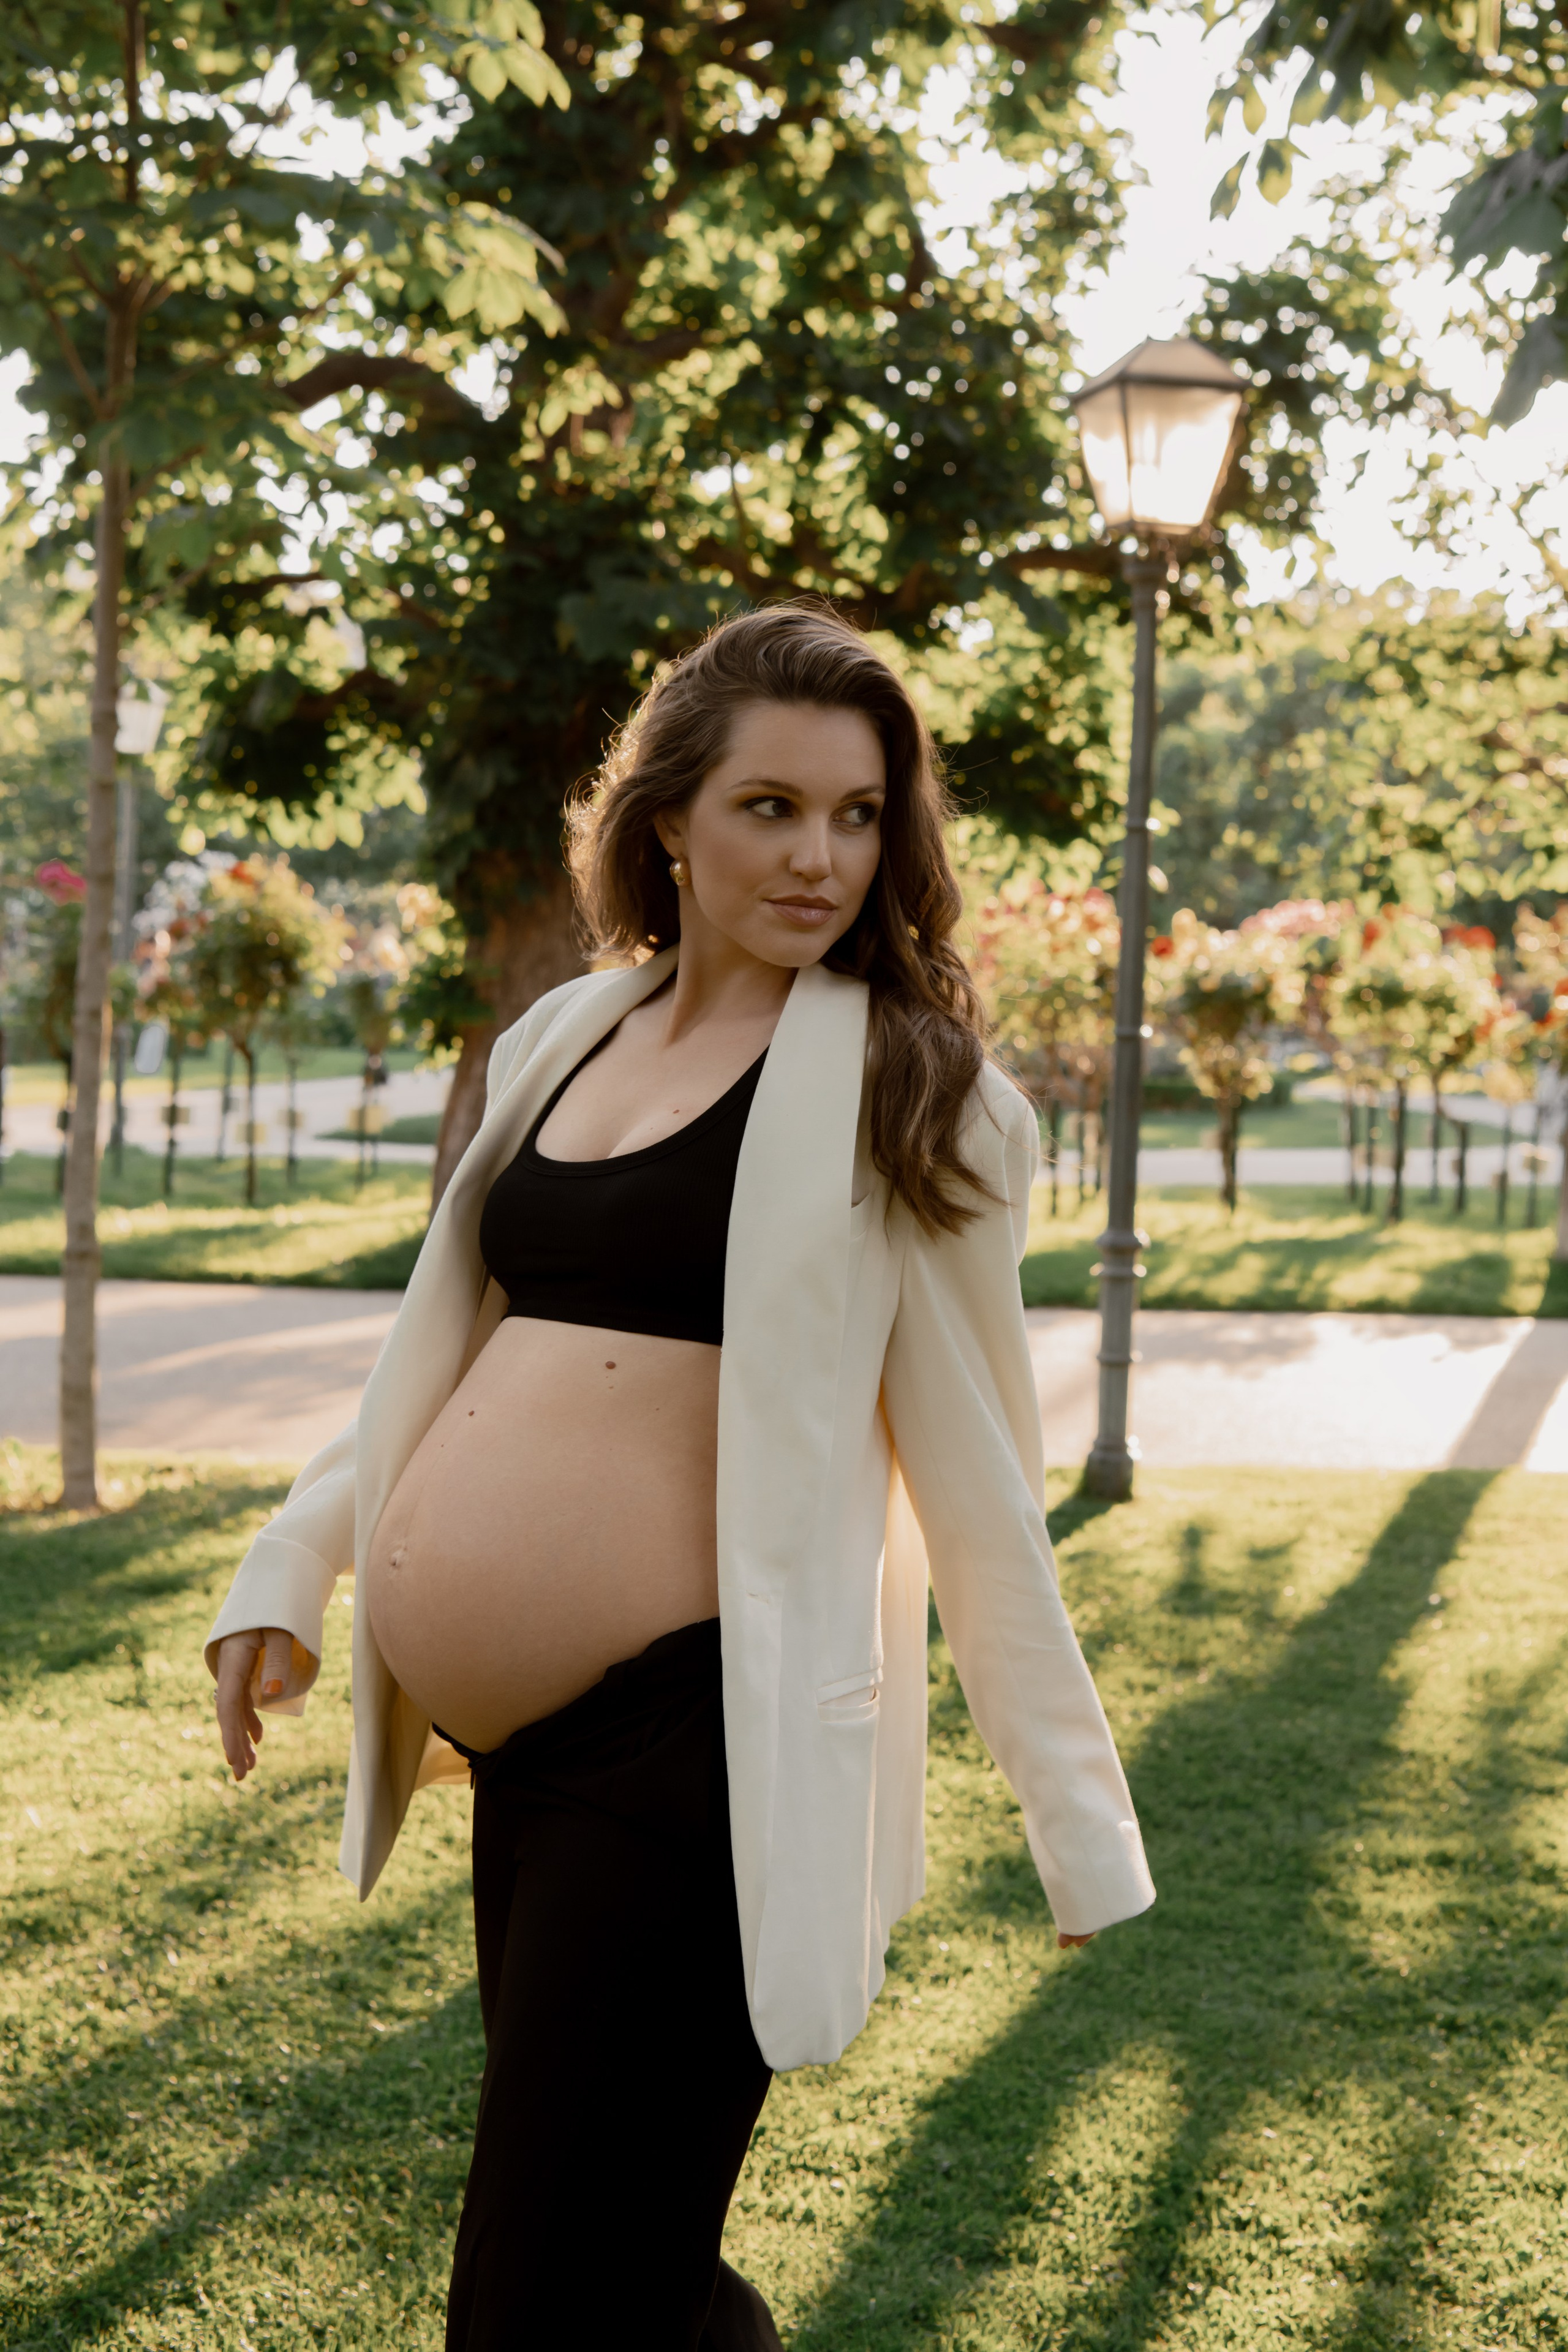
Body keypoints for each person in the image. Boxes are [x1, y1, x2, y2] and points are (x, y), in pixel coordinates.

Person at [206, 602, 1155, 2350]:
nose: (821, 857)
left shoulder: (909, 1089)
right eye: (772, 808)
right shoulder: (567, 1031)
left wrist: (1076, 1831)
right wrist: (295, 1566)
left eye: (861, 815)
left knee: (537, 2293)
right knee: (622, 2277)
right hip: (531, 1763)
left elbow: (980, 1487)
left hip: (698, 1751)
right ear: (669, 820)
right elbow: (450, 1355)